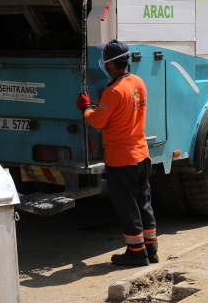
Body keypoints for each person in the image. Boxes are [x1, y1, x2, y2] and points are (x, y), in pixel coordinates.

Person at [76, 39, 157, 267]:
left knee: (127, 207)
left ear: (109, 64)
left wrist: (85, 107)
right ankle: (151, 248)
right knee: (143, 202)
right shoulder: (138, 82)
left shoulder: (113, 92)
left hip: (122, 160)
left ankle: (136, 253)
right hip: (141, 155)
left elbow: (97, 121)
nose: (101, 62)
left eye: (103, 59)